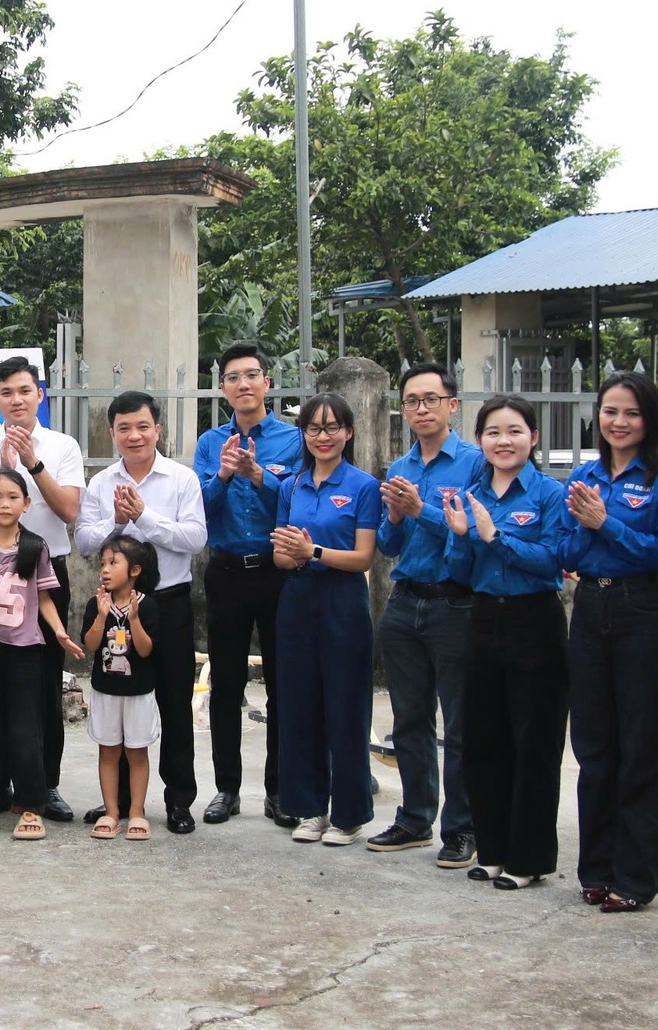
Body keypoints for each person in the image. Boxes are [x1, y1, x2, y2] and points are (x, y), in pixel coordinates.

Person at [560, 371, 658, 913]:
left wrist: (606, 524)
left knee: (642, 746)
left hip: (645, 608)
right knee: (594, 746)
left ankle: (635, 877)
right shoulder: (584, 475)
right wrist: (582, 531)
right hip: (591, 605)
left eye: (631, 412)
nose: (619, 422)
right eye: (610, 411)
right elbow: (567, 551)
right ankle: (596, 868)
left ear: (649, 418)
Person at [443, 395, 567, 891]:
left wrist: (496, 538)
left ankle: (528, 858)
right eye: (493, 432)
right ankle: (493, 850)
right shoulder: (471, 494)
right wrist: (460, 536)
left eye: (515, 431)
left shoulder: (549, 494)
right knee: (484, 741)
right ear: (479, 441)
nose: (504, 441)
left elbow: (553, 560)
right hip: (483, 619)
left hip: (534, 621)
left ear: (533, 438)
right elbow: (458, 571)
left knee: (533, 743)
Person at [366, 362, 487, 867]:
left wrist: (423, 511)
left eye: (430, 399)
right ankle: (415, 818)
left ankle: (461, 828)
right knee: (409, 720)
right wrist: (396, 516)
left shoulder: (476, 464)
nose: (421, 409)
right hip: (405, 600)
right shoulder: (401, 467)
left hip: (456, 602)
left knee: (459, 724)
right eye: (411, 401)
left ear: (452, 406)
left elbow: (476, 533)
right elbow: (388, 543)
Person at [0, 356, 84, 823]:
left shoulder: (62, 445)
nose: (16, 400)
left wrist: (32, 463)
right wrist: (0, 472)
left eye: (25, 391)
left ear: (39, 395)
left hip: (44, 573)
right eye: (6, 392)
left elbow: (69, 510)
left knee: (43, 685)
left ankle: (44, 784)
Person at [75, 391, 209, 832]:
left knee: (173, 702)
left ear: (158, 430)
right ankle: (117, 804)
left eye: (143, 426)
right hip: (116, 607)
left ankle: (178, 801)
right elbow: (84, 542)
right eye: (124, 428)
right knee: (119, 700)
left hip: (167, 604)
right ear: (112, 433)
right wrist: (116, 521)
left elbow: (195, 539)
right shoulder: (101, 484)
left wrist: (144, 517)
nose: (134, 436)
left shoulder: (181, 479)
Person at [191, 342, 301, 827]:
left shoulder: (293, 440)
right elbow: (198, 507)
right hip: (227, 572)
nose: (243, 384)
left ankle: (278, 790)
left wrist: (260, 478)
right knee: (226, 685)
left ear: (267, 383)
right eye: (233, 377)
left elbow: (300, 502)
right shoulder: (210, 443)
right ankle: (227, 788)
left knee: (282, 683)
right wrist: (222, 476)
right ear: (223, 389)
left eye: (252, 375)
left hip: (279, 573)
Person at [267, 393, 383, 847]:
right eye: (314, 428)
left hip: (343, 599)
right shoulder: (291, 485)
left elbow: (363, 557)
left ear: (348, 433)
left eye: (332, 427)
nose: (323, 436)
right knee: (299, 706)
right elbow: (280, 556)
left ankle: (349, 815)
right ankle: (309, 807)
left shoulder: (363, 486)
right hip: (297, 598)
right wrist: (296, 555)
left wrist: (312, 551)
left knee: (345, 706)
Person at [0, 469, 85, 843]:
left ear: (26, 504)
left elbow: (44, 598)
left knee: (27, 729)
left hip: (26, 651)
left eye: (12, 497)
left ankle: (29, 805)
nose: (5, 504)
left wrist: (59, 633)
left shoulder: (36, 547)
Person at [81, 534, 161, 842]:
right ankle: (112, 812)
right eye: (103, 563)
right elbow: (90, 645)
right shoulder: (96, 604)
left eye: (113, 563)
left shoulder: (148, 606)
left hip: (139, 692)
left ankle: (137, 812)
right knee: (109, 751)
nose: (105, 569)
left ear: (135, 570)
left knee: (137, 751)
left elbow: (145, 650)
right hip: (106, 691)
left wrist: (134, 620)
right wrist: (101, 617)